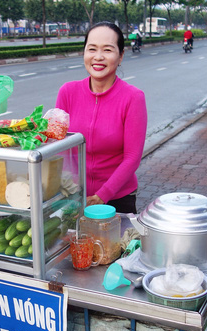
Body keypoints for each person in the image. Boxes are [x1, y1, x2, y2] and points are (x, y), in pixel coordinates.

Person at [55, 21, 147, 214]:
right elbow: (58, 148)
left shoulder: (133, 98)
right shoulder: (67, 92)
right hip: (73, 197)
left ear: (120, 56)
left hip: (117, 199)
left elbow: (132, 157)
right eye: (92, 49)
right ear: (84, 53)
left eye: (107, 50)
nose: (98, 57)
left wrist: (102, 196)